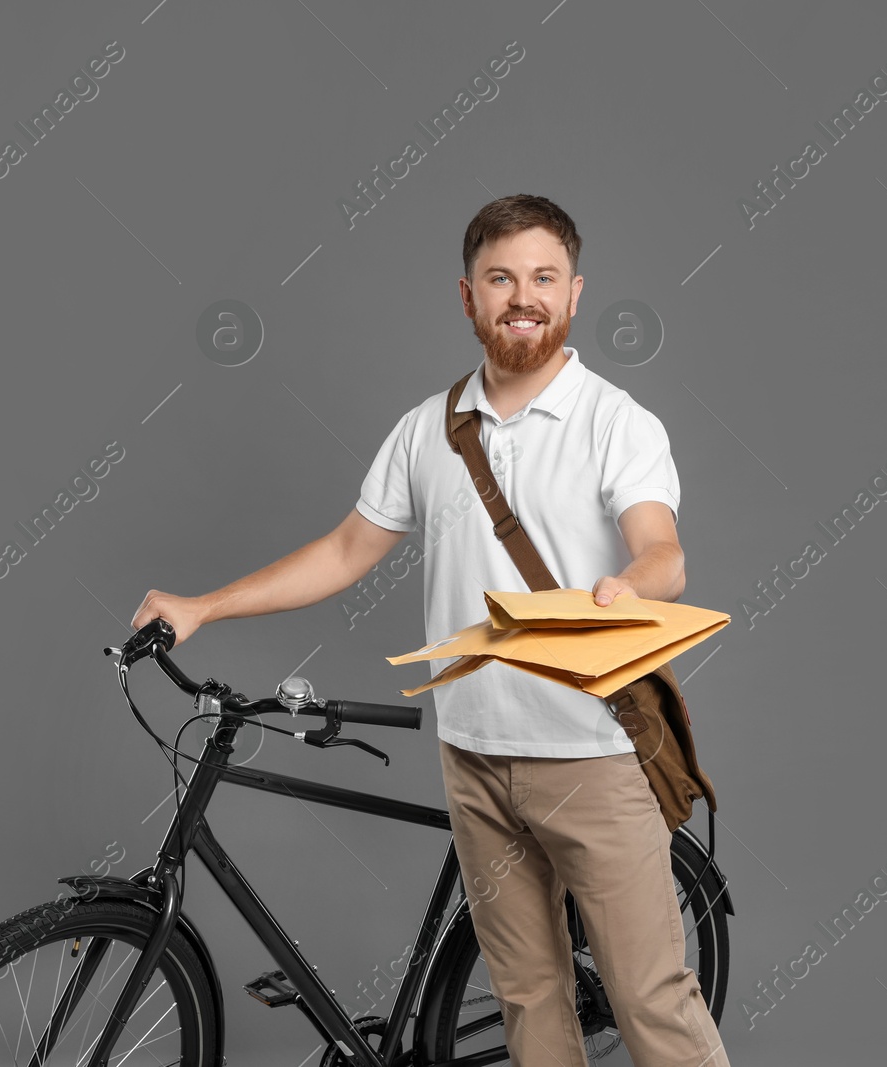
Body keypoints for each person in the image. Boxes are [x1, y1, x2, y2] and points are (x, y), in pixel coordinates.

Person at [131, 194, 730, 1067]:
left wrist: (629, 584)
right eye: (500, 278)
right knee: (530, 997)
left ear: (573, 295)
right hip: (474, 757)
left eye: (542, 277)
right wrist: (203, 606)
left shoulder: (616, 422)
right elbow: (343, 550)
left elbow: (662, 550)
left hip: (591, 759)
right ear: (468, 297)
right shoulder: (427, 431)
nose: (521, 296)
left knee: (650, 999)